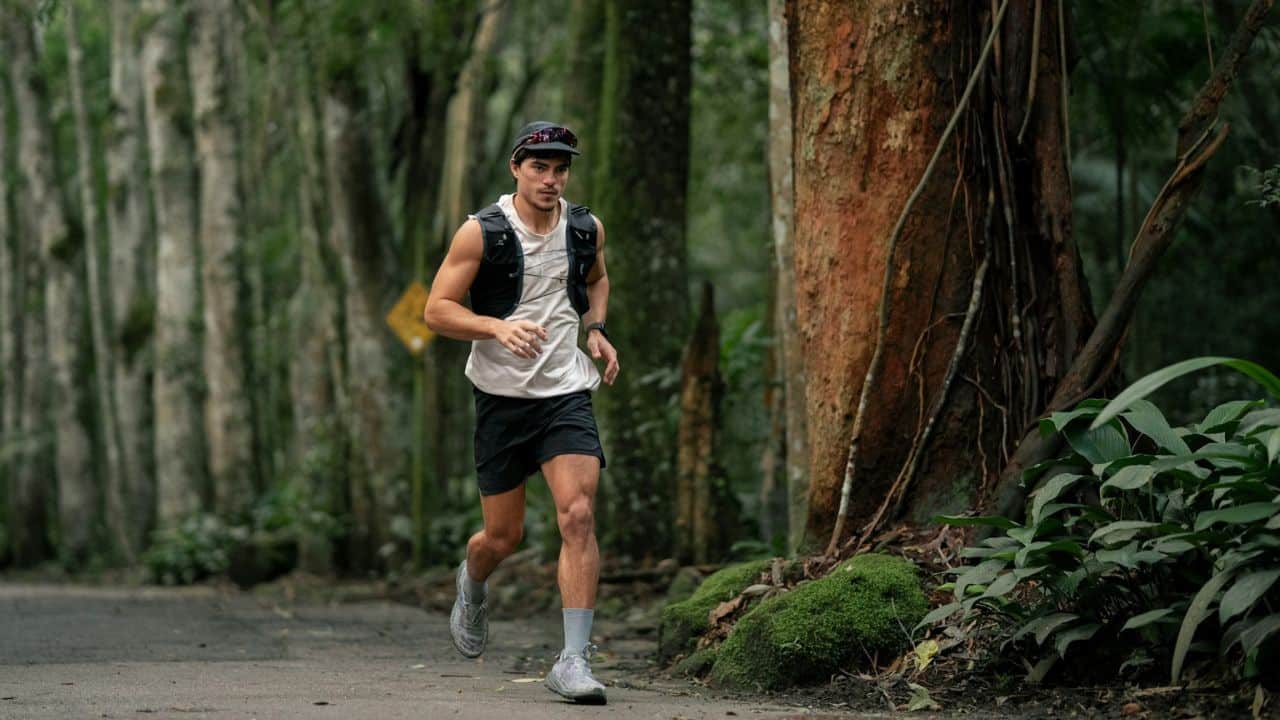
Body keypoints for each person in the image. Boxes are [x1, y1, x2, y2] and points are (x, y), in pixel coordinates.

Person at [423, 121, 619, 705]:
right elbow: (436, 310)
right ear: (516, 168)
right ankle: (473, 579)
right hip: (501, 399)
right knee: (502, 537)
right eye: (539, 168)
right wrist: (495, 327)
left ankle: (574, 660)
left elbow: (597, 277)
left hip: (565, 394)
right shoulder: (481, 232)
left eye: (560, 169)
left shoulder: (584, 228)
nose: (551, 179)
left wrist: (596, 329)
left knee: (578, 515)